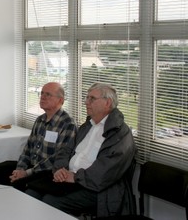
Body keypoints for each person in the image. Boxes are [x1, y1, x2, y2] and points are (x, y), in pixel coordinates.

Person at [25, 82, 137, 217]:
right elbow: (65, 151)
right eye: (87, 98)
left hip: (98, 189)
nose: (86, 102)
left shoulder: (120, 133)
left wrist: (75, 177)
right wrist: (60, 169)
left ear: (107, 103)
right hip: (70, 179)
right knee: (31, 193)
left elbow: (107, 170)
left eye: (92, 99)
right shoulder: (87, 126)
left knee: (50, 202)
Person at [0, 82, 77, 191]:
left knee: (17, 184)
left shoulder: (68, 124)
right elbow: (27, 149)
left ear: (61, 100)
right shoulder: (40, 120)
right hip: (30, 167)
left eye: (48, 94)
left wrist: (26, 173)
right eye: (42, 93)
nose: (43, 97)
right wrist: (20, 169)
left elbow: (58, 158)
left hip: (47, 171)